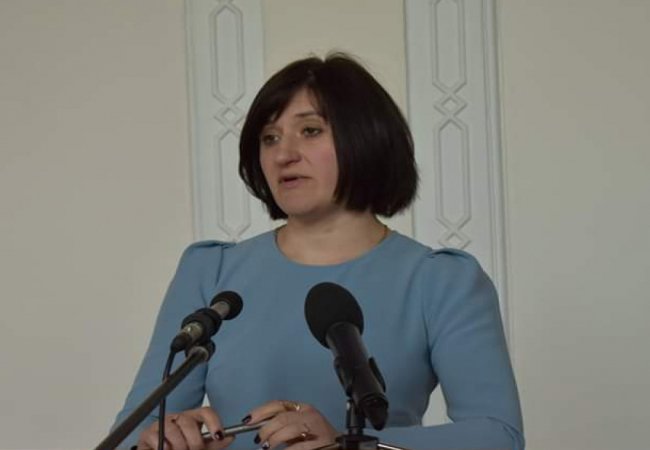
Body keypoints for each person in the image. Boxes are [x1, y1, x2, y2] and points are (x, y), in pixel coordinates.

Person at [112, 53, 524, 450]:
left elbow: (497, 436)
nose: (283, 154)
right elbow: (134, 431)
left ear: (366, 136)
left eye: (310, 131)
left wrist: (348, 444)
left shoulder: (441, 280)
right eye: (269, 138)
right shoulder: (210, 270)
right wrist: (163, 440)